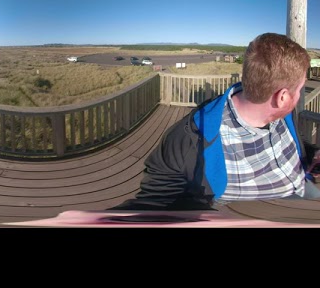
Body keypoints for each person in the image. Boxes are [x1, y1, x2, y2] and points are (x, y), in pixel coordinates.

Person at [113, 32, 319, 211]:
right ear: (282, 97)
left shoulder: (284, 115)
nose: (299, 95)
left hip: (305, 189)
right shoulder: (190, 138)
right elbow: (155, 203)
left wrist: (311, 154)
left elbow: (291, 145)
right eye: (299, 89)